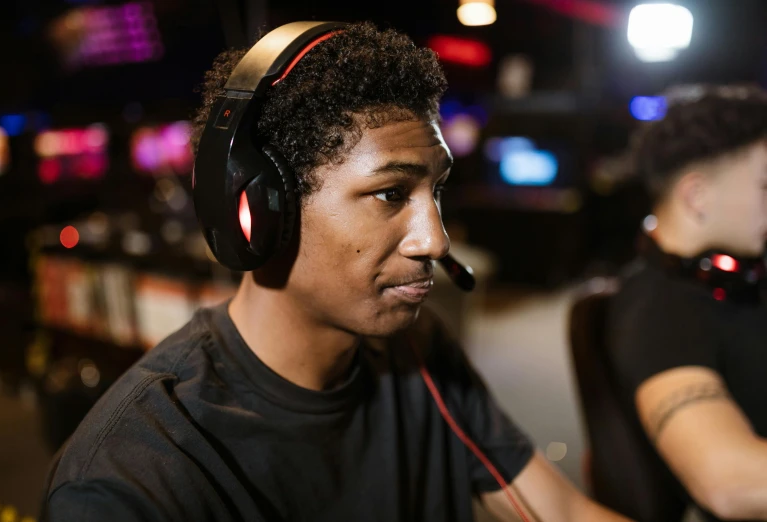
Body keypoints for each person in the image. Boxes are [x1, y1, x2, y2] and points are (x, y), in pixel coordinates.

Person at [42, 22, 630, 521]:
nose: (435, 240)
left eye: (437, 192)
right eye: (390, 193)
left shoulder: (420, 353)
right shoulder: (131, 477)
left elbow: (564, 511)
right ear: (253, 210)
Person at [608, 85, 767, 521]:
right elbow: (729, 481)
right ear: (697, 197)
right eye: (765, 187)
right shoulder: (659, 312)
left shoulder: (738, 277)